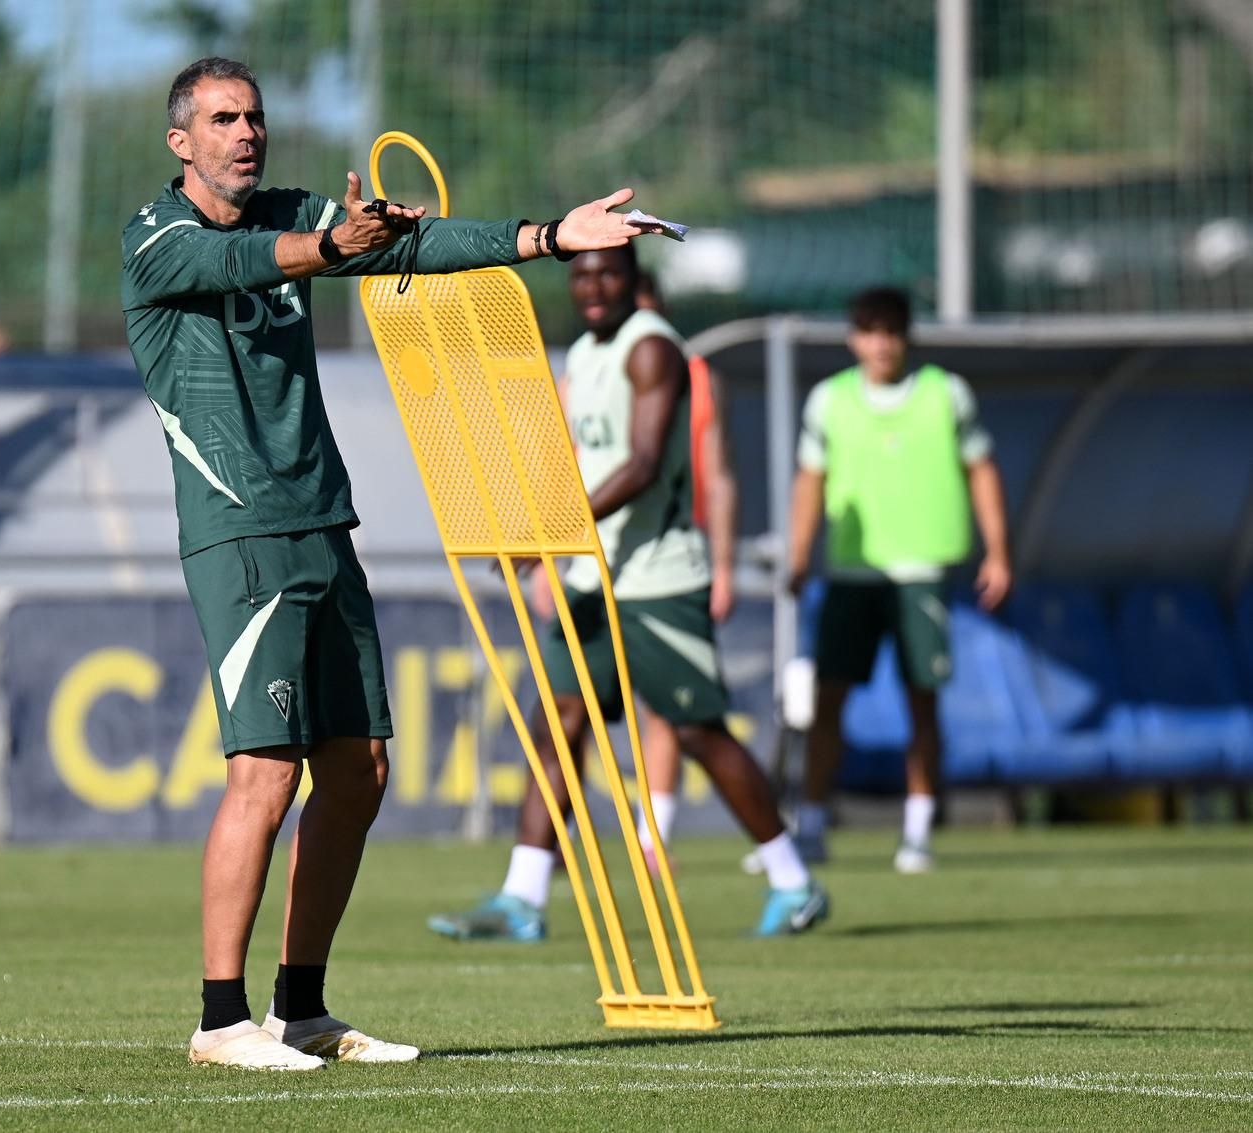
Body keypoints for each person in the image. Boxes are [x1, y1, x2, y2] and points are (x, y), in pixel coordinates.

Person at [122, 57, 672, 1071]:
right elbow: (249, 264)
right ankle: (216, 1018)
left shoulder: (289, 214)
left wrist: (550, 236)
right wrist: (331, 243)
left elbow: (414, 244)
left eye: (254, 116)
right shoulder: (154, 240)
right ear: (180, 141)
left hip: (323, 523)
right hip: (240, 534)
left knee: (358, 769)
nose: (246, 132)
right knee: (263, 769)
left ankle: (299, 1007)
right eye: (223, 119)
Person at [427, 245, 829, 944]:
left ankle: (793, 878)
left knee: (700, 730)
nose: (591, 285)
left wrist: (548, 532)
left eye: (607, 273)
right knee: (557, 718)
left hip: (658, 579)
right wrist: (546, 536)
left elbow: (643, 465)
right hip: (591, 570)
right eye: (580, 273)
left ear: (636, 280)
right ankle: (523, 896)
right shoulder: (584, 352)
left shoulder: (653, 350)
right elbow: (583, 460)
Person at [786, 286, 1010, 873]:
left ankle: (917, 833)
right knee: (829, 699)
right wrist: (798, 554)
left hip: (921, 572)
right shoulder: (828, 401)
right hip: (853, 574)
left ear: (906, 336)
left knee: (923, 701)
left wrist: (999, 553)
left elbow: (981, 470)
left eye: (891, 331)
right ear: (854, 337)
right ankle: (811, 825)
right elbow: (809, 481)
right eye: (869, 330)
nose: (880, 344)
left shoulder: (946, 394)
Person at [628, 269, 737, 876]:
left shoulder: (696, 378)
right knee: (569, 706)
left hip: (667, 566)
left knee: (673, 709)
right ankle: (543, 851)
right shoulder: (588, 371)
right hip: (597, 565)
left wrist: (723, 565)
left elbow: (718, 478)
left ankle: (653, 835)